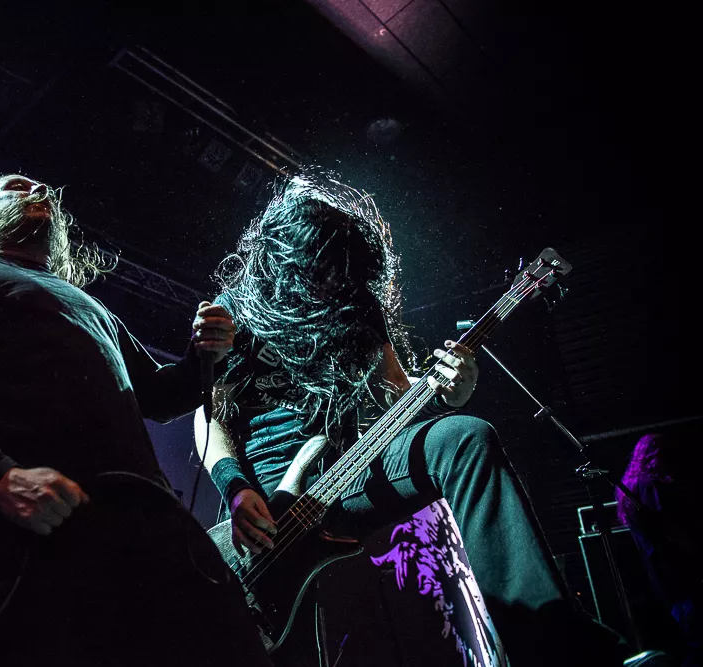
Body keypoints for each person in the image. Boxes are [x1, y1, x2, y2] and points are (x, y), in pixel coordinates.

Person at [194, 175, 625, 666]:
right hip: (268, 503)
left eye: (343, 274)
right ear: (290, 260)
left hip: (347, 471)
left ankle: (552, 642)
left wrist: (450, 393)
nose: (335, 285)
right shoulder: (237, 312)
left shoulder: (356, 304)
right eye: (325, 271)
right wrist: (235, 488)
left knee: (464, 438)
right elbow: (208, 417)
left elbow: (399, 396)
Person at [0, 174, 272, 666]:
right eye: (17, 186)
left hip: (148, 524)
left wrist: (204, 355)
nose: (39, 191)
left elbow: (159, 396)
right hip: (37, 526)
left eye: (42, 188)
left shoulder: (91, 306)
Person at [618, 432, 702, 666]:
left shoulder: (630, 488)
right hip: (685, 574)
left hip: (667, 579)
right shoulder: (651, 485)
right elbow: (672, 527)